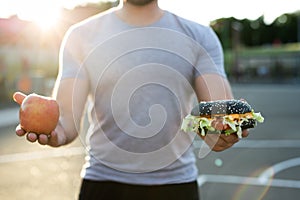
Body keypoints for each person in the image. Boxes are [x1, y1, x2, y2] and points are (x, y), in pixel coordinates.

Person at [15, 0, 249, 199]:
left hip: (176, 186)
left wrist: (220, 129)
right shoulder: (81, 36)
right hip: (103, 185)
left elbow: (219, 108)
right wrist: (55, 130)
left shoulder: (200, 36)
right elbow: (66, 119)